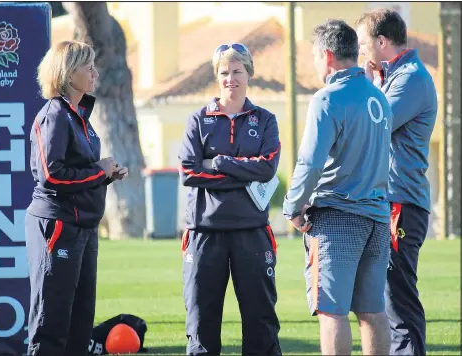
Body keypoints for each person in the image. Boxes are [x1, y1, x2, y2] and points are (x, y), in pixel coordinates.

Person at [283, 20, 393, 355]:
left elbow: (311, 164)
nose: (315, 64)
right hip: (377, 217)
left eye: (316, 56)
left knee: (331, 312)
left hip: (338, 219)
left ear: (327, 55)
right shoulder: (378, 97)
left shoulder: (327, 98)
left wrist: (292, 206)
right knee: (373, 312)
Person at [25, 40, 128, 355]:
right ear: (69, 75)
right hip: (57, 226)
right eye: (88, 67)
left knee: (80, 324)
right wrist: (99, 170)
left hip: (83, 228)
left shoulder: (80, 117)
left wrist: (105, 176)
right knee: (52, 323)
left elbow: (78, 174)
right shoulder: (54, 115)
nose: (95, 74)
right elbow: (52, 175)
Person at [178, 43, 282, 355]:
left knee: (260, 318)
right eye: (224, 72)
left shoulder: (265, 120)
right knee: (201, 318)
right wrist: (242, 173)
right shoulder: (198, 120)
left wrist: (221, 162)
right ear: (217, 76)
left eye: (237, 71)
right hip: (204, 233)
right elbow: (188, 172)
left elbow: (267, 168)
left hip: (251, 231)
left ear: (249, 74)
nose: (230, 78)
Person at [356, 9, 438, 356]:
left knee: (397, 299)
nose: (360, 51)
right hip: (391, 203)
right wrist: (374, 84)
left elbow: (372, 125)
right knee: (385, 297)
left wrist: (365, 86)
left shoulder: (410, 79)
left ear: (381, 42)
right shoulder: (394, 78)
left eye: (362, 43)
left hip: (401, 205)